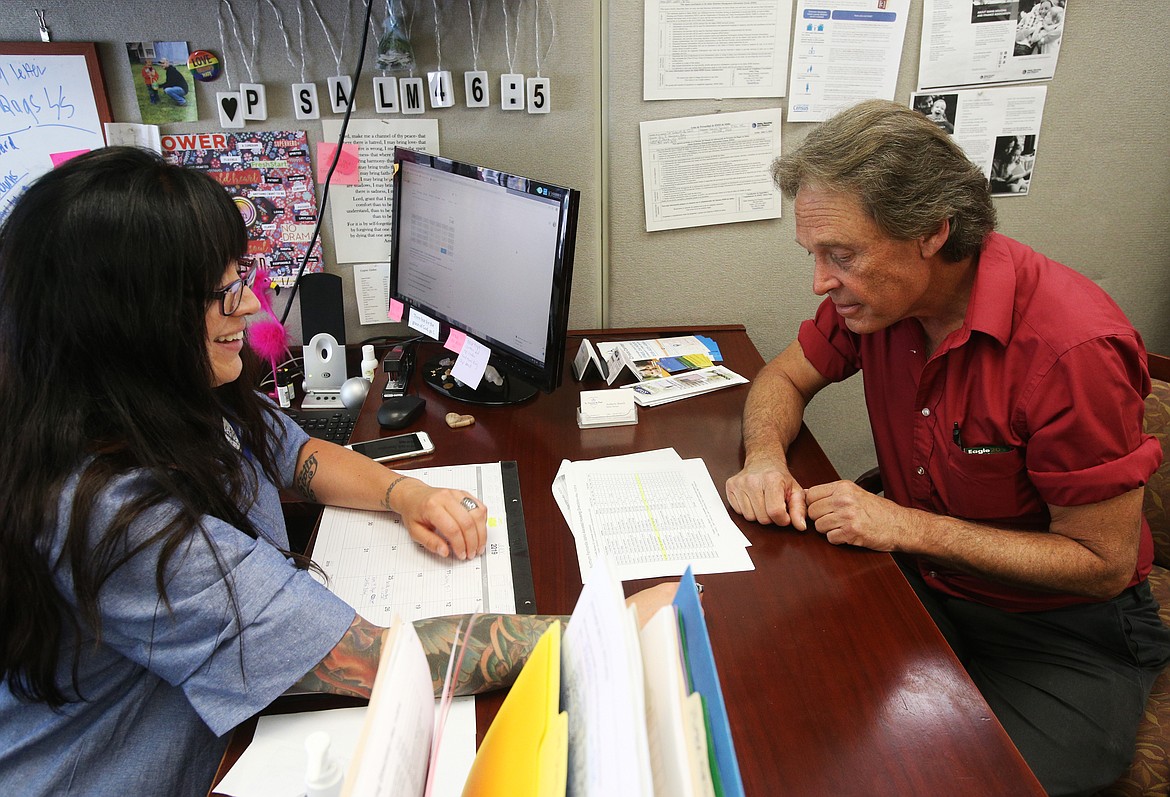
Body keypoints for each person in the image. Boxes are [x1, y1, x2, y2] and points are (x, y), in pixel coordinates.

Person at [0, 147, 674, 795]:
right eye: (221, 293)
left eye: (241, 280)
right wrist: (604, 626)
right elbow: (381, 658)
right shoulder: (114, 514)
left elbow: (290, 450)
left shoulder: (163, 398)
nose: (250, 308)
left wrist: (401, 490)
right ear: (128, 325)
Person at [724, 99, 1170, 796]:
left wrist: (906, 526)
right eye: (814, 255)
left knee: (933, 781)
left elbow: (1103, 563)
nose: (820, 281)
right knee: (784, 712)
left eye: (841, 255)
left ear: (933, 231)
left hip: (1061, 634)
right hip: (925, 581)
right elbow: (782, 376)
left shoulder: (1073, 349)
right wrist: (764, 458)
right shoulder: (877, 303)